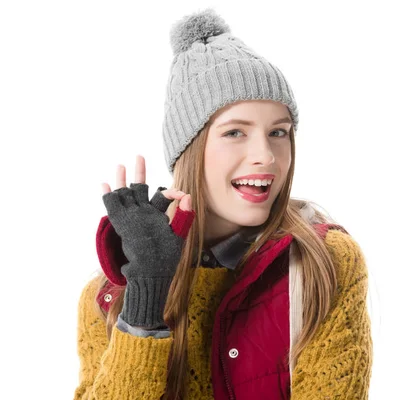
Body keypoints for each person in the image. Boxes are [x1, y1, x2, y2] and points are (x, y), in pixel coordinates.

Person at [74, 8, 372, 400]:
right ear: (189, 151)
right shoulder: (110, 296)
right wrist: (146, 294)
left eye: (278, 132)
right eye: (235, 132)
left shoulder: (322, 263)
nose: (265, 155)